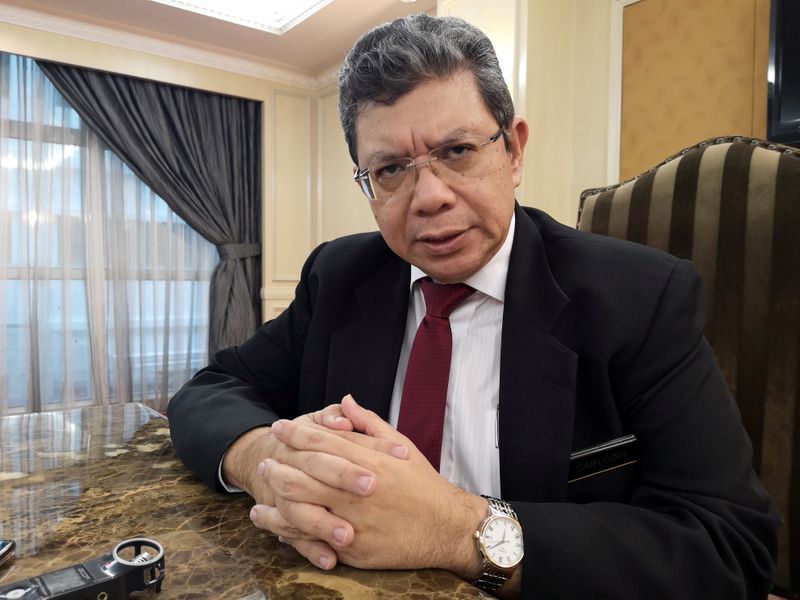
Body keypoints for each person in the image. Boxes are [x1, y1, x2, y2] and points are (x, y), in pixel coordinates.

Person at [168, 13, 779, 599]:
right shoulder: (339, 275)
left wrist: (456, 530)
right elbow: (212, 389)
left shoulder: (640, 297)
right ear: (366, 183)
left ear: (512, 152)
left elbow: (728, 548)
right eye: (391, 169)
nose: (428, 197)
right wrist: (264, 461)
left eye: (458, 151)